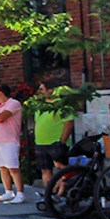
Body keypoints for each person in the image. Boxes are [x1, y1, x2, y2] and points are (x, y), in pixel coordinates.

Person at [30, 82, 75, 210]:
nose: (39, 91)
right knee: (45, 170)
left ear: (50, 90)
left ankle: (61, 194)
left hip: (56, 143)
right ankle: (49, 193)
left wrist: (62, 141)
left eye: (41, 89)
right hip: (41, 143)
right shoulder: (40, 105)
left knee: (61, 169)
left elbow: (69, 123)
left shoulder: (63, 105)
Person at [0, 84, 24, 203]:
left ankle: (20, 193)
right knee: (2, 167)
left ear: (1, 93)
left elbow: (2, 117)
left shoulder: (14, 103)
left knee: (13, 168)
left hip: (10, 140)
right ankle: (8, 192)